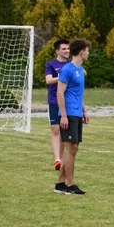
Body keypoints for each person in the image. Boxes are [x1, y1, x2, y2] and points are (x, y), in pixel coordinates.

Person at [55, 39, 91, 195]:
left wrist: (84, 111)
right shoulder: (67, 70)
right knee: (72, 148)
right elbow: (59, 92)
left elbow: (79, 94)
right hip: (68, 114)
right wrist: (63, 115)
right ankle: (71, 185)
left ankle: (60, 183)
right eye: (87, 50)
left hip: (76, 113)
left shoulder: (81, 70)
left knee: (72, 149)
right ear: (81, 52)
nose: (88, 53)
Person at [45, 39, 70, 170]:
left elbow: (82, 73)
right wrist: (63, 76)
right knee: (55, 129)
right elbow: (48, 80)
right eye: (64, 49)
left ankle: (60, 159)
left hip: (68, 101)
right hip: (54, 100)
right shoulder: (51, 64)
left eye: (68, 48)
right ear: (57, 51)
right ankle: (57, 159)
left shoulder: (72, 64)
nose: (67, 51)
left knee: (64, 130)